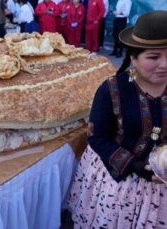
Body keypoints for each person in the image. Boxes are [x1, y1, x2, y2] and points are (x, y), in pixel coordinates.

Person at [67, 11, 167, 228]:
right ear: (133, 57)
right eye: (153, 57)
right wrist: (135, 166)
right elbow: (97, 138)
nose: (164, 64)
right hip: (120, 183)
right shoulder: (112, 90)